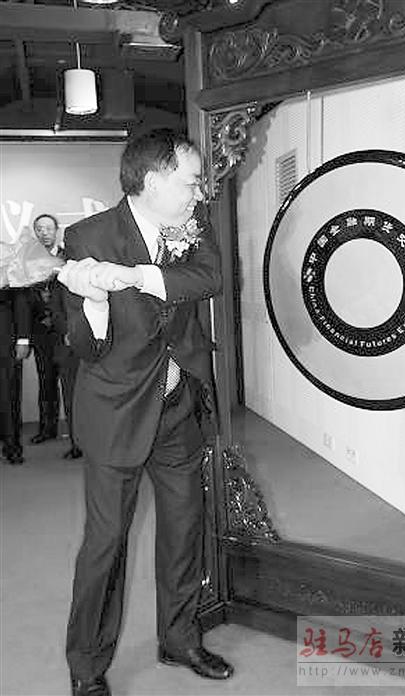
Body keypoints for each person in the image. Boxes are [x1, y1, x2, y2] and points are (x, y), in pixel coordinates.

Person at [57, 128, 232, 696]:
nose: (199, 193)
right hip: (117, 411)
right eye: (191, 182)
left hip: (178, 403)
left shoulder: (192, 225)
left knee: (184, 528)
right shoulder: (87, 237)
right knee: (106, 544)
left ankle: (179, 638)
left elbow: (211, 277)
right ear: (154, 182)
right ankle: (87, 667)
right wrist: (94, 301)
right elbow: (85, 347)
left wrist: (136, 277)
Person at [27, 214, 63, 444]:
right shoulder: (28, 260)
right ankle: (47, 429)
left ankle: (79, 437)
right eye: (40, 229)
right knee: (46, 381)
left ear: (56, 230)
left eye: (49, 228)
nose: (44, 233)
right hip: (41, 330)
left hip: (66, 332)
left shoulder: (68, 256)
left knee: (72, 385)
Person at [50, 282, 83, 459]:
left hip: (98, 349)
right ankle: (77, 444)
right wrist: (70, 332)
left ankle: (100, 444)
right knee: (71, 398)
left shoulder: (98, 274)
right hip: (68, 347)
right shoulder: (60, 283)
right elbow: (56, 312)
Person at [0, 286, 30, 464]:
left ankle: (12, 446)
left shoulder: (8, 267)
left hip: (4, 335)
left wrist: (23, 339)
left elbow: (21, 300)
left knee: (8, 395)